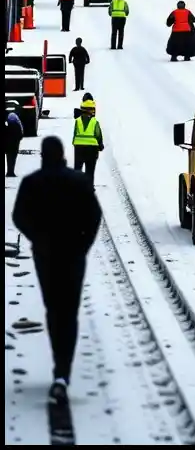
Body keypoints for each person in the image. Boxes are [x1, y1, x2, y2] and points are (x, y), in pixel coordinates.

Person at [12, 135, 102, 405]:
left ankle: (58, 363)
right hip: (73, 255)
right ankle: (63, 372)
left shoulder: (31, 184)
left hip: (46, 256)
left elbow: (18, 216)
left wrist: (36, 238)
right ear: (63, 154)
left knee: (53, 309)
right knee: (70, 311)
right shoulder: (79, 182)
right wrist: (83, 244)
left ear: (42, 155)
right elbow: (94, 216)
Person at [71, 95, 104, 186]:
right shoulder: (94, 122)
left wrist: (75, 143)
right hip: (92, 149)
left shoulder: (78, 121)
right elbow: (98, 134)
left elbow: (75, 134)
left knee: (77, 168)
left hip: (79, 148)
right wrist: (100, 145)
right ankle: (88, 187)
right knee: (90, 170)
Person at [5, 104, 24, 177]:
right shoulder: (14, 116)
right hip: (15, 136)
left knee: (11, 153)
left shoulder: (11, 117)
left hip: (13, 134)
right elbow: (20, 131)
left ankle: (10, 172)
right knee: (12, 154)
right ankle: (10, 171)